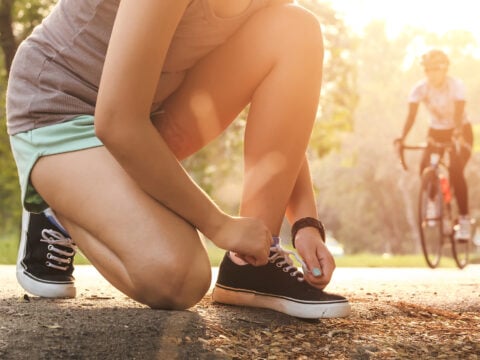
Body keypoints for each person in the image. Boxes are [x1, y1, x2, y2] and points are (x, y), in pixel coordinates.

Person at [6, 0, 350, 319]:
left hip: (146, 112)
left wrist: (306, 222)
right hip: (60, 109)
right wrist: (219, 224)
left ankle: (253, 268)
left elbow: (285, 114)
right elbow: (118, 123)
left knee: (295, 30)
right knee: (179, 276)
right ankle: (58, 203)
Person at [397, 49, 474, 240]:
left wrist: (456, 134)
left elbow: (458, 113)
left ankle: (464, 219)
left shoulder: (456, 86)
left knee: (456, 171)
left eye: (435, 70)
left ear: (445, 69)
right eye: (428, 70)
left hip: (460, 129)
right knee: (425, 167)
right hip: (436, 132)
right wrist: (402, 138)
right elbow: (412, 116)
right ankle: (433, 202)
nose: (431, 74)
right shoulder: (420, 89)